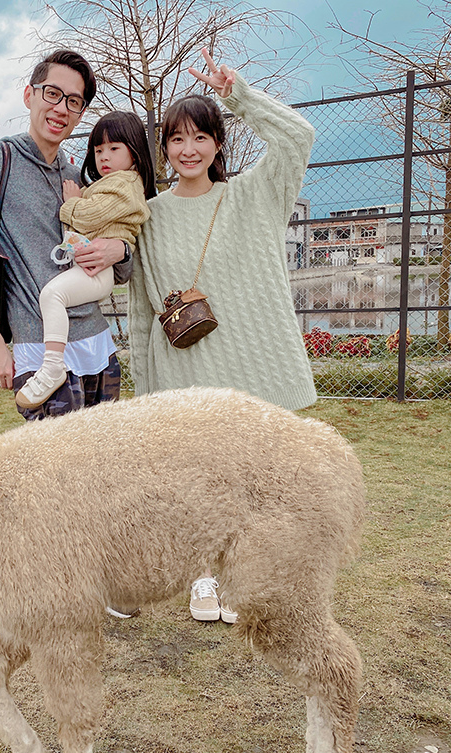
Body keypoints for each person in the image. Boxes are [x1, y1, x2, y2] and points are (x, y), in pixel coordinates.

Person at [128, 48, 317, 624]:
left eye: (200, 137)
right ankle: (202, 579)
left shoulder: (255, 195)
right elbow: (142, 309)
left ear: (217, 143)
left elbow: (298, 137)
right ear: (164, 148)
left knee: (260, 483)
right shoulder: (148, 215)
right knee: (196, 484)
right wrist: (145, 389)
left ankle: (249, 578)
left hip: (253, 367)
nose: (188, 149)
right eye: (176, 139)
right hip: (185, 372)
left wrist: (239, 96)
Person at [0, 50, 132, 420]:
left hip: (98, 348)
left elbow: (122, 271)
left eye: (73, 101)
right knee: (54, 458)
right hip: (40, 355)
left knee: (107, 455)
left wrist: (120, 250)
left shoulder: (78, 179)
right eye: (52, 93)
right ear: (29, 95)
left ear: (81, 113)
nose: (61, 108)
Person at [14, 111, 156, 409]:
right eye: (98, 150)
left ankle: (52, 366)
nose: (104, 157)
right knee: (55, 295)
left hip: (98, 272)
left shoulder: (125, 184)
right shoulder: (109, 183)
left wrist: (71, 203)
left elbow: (90, 216)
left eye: (114, 148)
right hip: (91, 267)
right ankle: (53, 365)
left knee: (52, 295)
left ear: (134, 151)